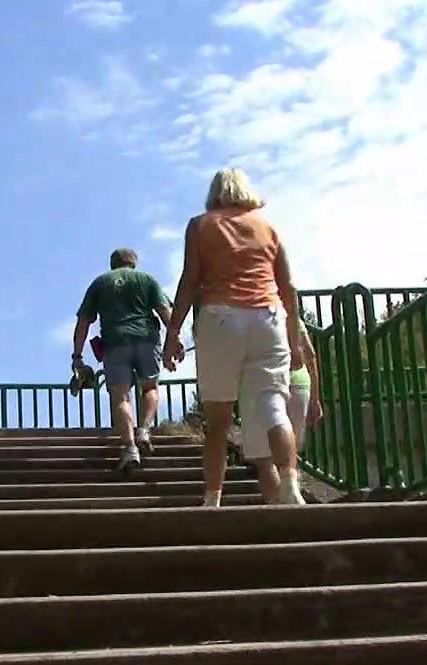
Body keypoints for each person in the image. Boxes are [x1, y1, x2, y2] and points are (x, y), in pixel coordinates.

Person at [163, 167, 304, 507]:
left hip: (221, 319)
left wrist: (173, 331)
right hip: (267, 318)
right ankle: (291, 485)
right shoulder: (267, 226)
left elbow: (190, 280)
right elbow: (289, 287)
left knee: (218, 420)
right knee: (273, 406)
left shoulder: (201, 225)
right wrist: (295, 339)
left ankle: (213, 500)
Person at [72, 248, 172, 471]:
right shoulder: (146, 280)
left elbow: (83, 322)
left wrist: (77, 356)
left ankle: (129, 449)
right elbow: (165, 311)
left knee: (120, 396)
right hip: (147, 339)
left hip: (115, 342)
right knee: (149, 387)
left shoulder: (99, 283)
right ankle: (144, 430)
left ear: (112, 264)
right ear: (134, 262)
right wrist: (174, 340)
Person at [243, 316, 322, 504]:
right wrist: (315, 398)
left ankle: (277, 505)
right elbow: (310, 356)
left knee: (264, 458)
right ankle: (291, 495)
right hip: (299, 382)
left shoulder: (247, 316)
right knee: (289, 453)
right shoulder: (291, 317)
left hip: (265, 382)